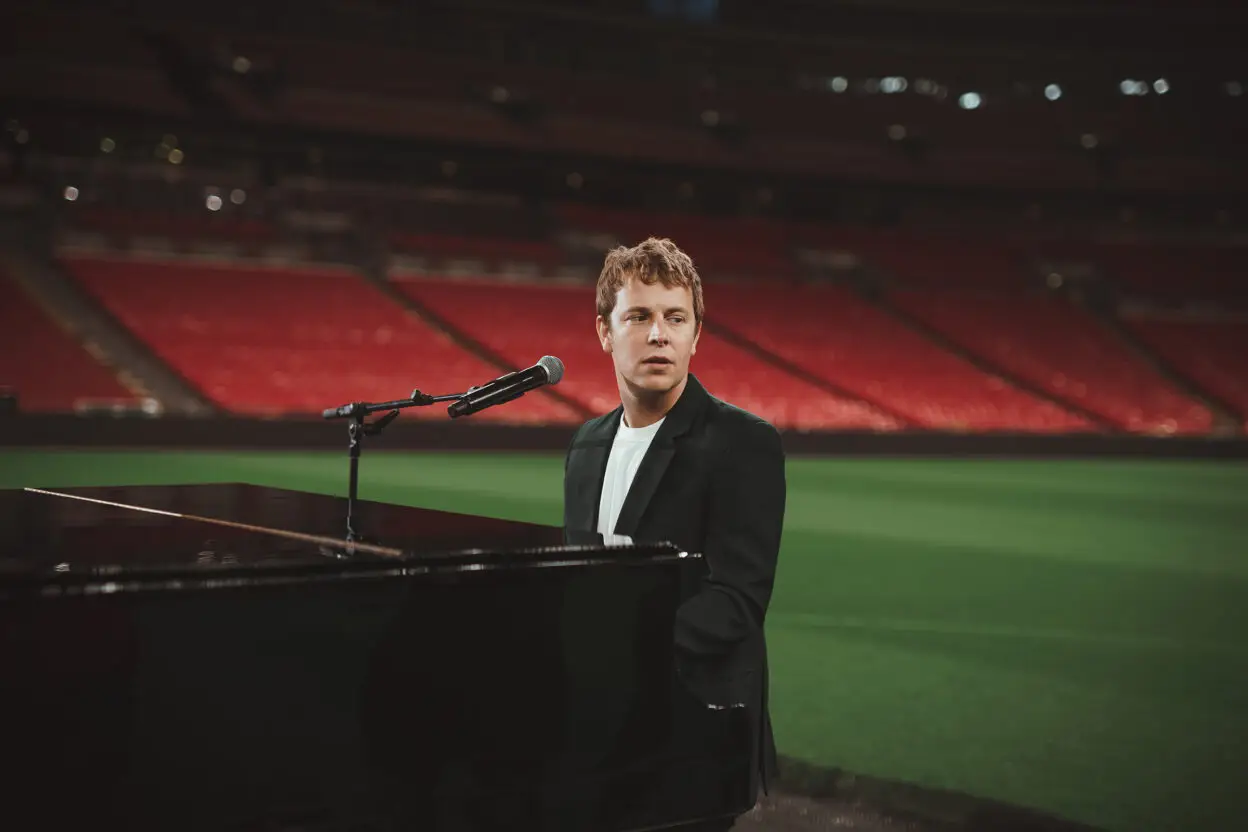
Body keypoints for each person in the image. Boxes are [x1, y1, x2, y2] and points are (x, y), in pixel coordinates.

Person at [563, 237, 787, 830]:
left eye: (675, 317)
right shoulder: (585, 445)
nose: (659, 333)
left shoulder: (745, 443)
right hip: (599, 726)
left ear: (695, 334)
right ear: (605, 332)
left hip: (692, 733)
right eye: (639, 316)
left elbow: (737, 600)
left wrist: (618, 646)